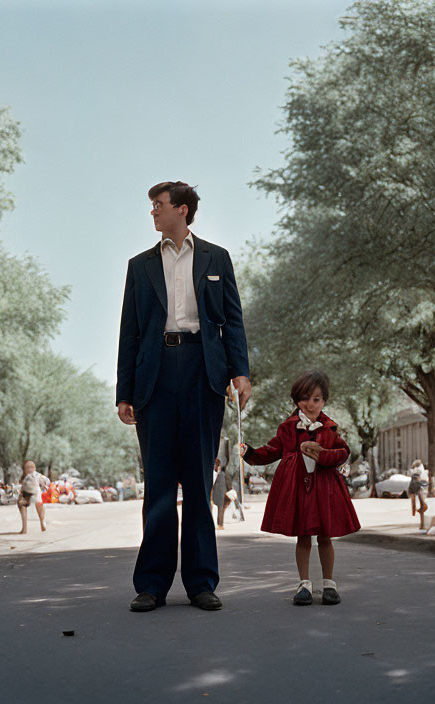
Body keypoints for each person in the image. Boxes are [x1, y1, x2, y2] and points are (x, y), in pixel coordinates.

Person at [117, 181, 251, 613]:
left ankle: (201, 583)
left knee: (197, 481)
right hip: (154, 377)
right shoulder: (139, 266)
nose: (152, 212)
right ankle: (151, 584)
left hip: (202, 374)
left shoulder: (217, 258)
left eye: (158, 205)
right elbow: (129, 332)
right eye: (152, 206)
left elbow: (232, 321)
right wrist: (125, 392)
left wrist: (240, 372)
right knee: (157, 484)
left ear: (182, 209)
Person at [240, 370, 360, 606]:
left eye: (316, 399)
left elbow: (343, 452)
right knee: (303, 537)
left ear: (324, 400)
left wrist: (322, 454)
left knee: (325, 536)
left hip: (324, 489)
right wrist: (250, 453)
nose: (310, 404)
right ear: (296, 400)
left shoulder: (330, 428)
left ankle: (329, 584)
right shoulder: (288, 428)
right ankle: (304, 583)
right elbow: (272, 450)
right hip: (297, 490)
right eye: (305, 398)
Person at [18, 460, 49, 534]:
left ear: (35, 468)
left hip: (38, 496)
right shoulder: (23, 478)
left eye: (32, 467)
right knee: (20, 502)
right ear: (24, 469)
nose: (29, 469)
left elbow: (44, 485)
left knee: (39, 502)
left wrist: (42, 486)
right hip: (27, 496)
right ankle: (24, 528)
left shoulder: (38, 476)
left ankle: (42, 521)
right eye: (27, 467)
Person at [407, 459, 429, 529]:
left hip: (414, 485)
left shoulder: (413, 471)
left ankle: (415, 512)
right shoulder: (421, 471)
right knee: (422, 506)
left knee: (417, 504)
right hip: (419, 486)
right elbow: (423, 480)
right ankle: (422, 524)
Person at [212, 460, 233, 529]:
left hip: (223, 495)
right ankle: (219, 524)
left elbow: (228, 483)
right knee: (220, 509)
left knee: (221, 509)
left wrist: (230, 490)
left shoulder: (224, 474)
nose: (215, 467)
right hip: (218, 495)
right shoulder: (218, 474)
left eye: (216, 465)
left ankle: (220, 525)